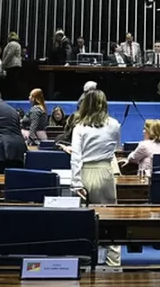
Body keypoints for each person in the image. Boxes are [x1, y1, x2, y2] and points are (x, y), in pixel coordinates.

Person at [70, 89, 121, 266]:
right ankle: (114, 261)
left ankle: (83, 259)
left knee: (82, 219)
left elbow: (76, 157)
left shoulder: (79, 127)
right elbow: (116, 146)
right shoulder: (114, 124)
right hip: (105, 171)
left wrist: (76, 183)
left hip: (85, 171)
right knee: (110, 217)